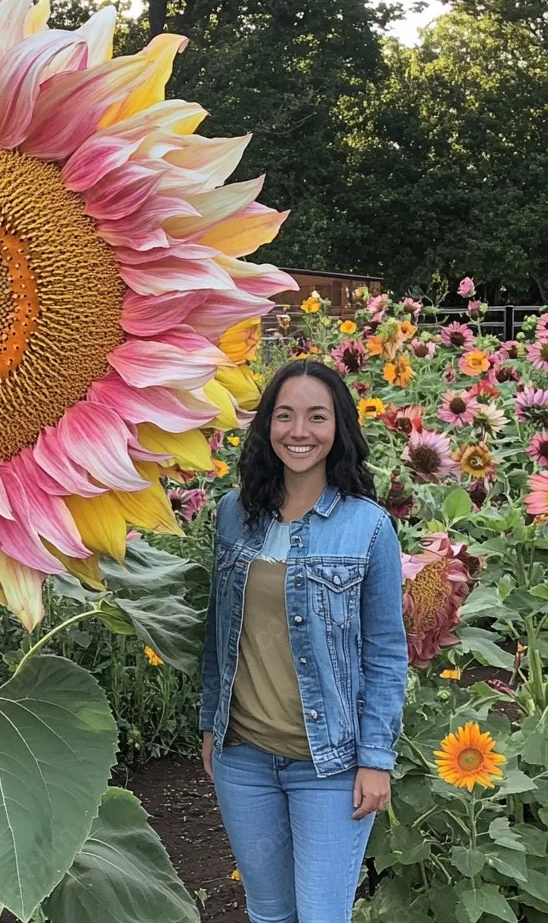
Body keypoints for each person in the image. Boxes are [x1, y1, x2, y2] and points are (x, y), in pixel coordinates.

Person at [200, 359, 407, 923]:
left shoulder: (367, 527)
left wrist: (376, 759)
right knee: (268, 912)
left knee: (321, 915)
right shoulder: (232, 517)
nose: (300, 431)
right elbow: (221, 631)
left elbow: (387, 652)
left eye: (317, 417)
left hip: (331, 764)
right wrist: (209, 724)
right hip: (243, 756)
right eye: (285, 415)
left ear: (338, 427)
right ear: (267, 425)